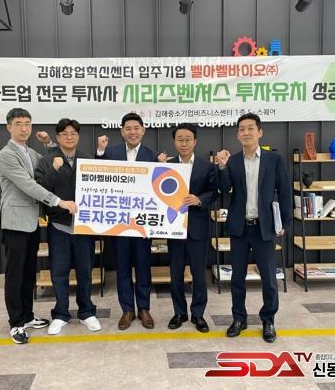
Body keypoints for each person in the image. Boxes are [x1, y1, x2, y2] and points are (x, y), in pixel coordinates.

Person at [0, 108, 77, 344]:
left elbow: (52, 160)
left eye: (27, 123)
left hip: (31, 222)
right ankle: (16, 323)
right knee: (15, 274)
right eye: (18, 123)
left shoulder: (30, 152)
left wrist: (49, 142)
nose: (24, 128)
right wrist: (59, 201)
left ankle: (27, 315)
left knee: (29, 272)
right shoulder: (6, 155)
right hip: (15, 222)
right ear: (8, 127)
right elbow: (29, 185)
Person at [215, 112, 292, 343]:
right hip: (240, 229)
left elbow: (285, 192)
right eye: (242, 129)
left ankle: (268, 320)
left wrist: (284, 222)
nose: (246, 132)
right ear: (237, 135)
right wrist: (222, 168)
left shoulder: (274, 159)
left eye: (250, 128)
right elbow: (223, 189)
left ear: (260, 132)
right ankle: (239, 318)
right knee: (237, 278)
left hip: (264, 228)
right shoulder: (233, 161)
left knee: (269, 279)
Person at [96, 112, 167, 330]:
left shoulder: (153, 155)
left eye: (136, 128)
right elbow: (97, 175)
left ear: (143, 130)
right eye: (128, 128)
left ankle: (144, 309)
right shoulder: (110, 152)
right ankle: (127, 310)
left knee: (143, 266)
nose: (132, 132)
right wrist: (100, 152)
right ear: (122, 131)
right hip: (119, 223)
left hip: (143, 224)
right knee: (122, 267)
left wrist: (164, 167)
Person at [34, 118, 101, 335]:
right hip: (59, 225)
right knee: (59, 271)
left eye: (73, 133)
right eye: (64, 134)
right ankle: (61, 314)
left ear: (78, 136)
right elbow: (39, 190)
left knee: (85, 271)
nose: (69, 137)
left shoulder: (88, 159)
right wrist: (54, 170)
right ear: (58, 137)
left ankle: (87, 312)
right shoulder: (46, 161)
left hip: (84, 226)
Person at [166, 123, 218, 333]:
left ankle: (198, 314)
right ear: (174, 142)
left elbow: (214, 192)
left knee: (199, 274)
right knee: (176, 274)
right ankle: (179, 312)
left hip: (198, 227)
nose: (184, 143)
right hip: (173, 228)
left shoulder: (207, 166)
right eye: (180, 139)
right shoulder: (166, 166)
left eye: (188, 139)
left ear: (195, 142)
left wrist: (199, 199)